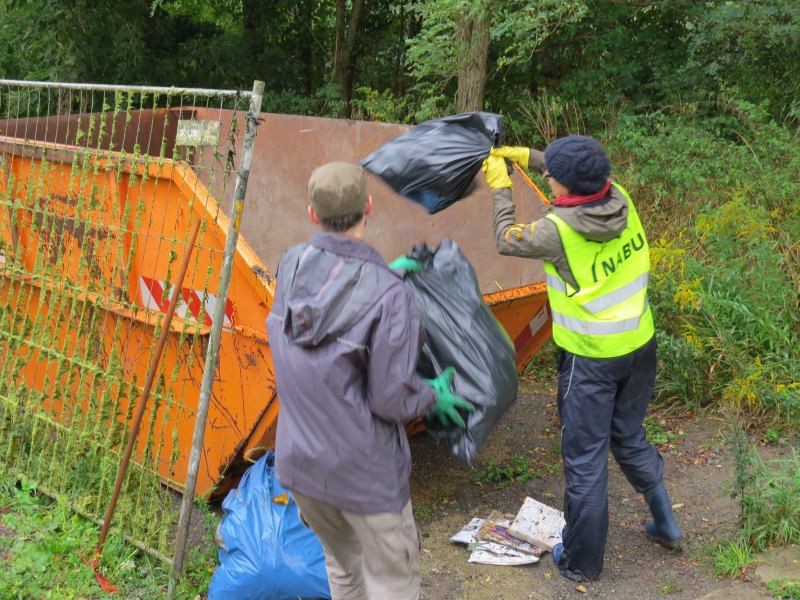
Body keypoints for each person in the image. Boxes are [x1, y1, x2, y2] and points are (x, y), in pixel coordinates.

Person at [266, 161, 474, 600]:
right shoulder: (390, 299)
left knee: (345, 570)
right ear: (369, 206)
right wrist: (431, 398)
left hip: (303, 470)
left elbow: (328, 306)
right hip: (366, 480)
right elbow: (391, 399)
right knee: (391, 584)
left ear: (311, 213)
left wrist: (387, 276)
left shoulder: (289, 268)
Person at [483, 137, 683, 582]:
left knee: (586, 459)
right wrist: (525, 159)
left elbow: (505, 238)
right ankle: (667, 522)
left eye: (549, 172)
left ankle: (581, 563)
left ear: (563, 186)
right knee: (627, 434)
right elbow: (573, 173)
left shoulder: (558, 230)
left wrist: (500, 186)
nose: (546, 175)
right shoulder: (619, 196)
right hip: (639, 344)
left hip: (591, 360)